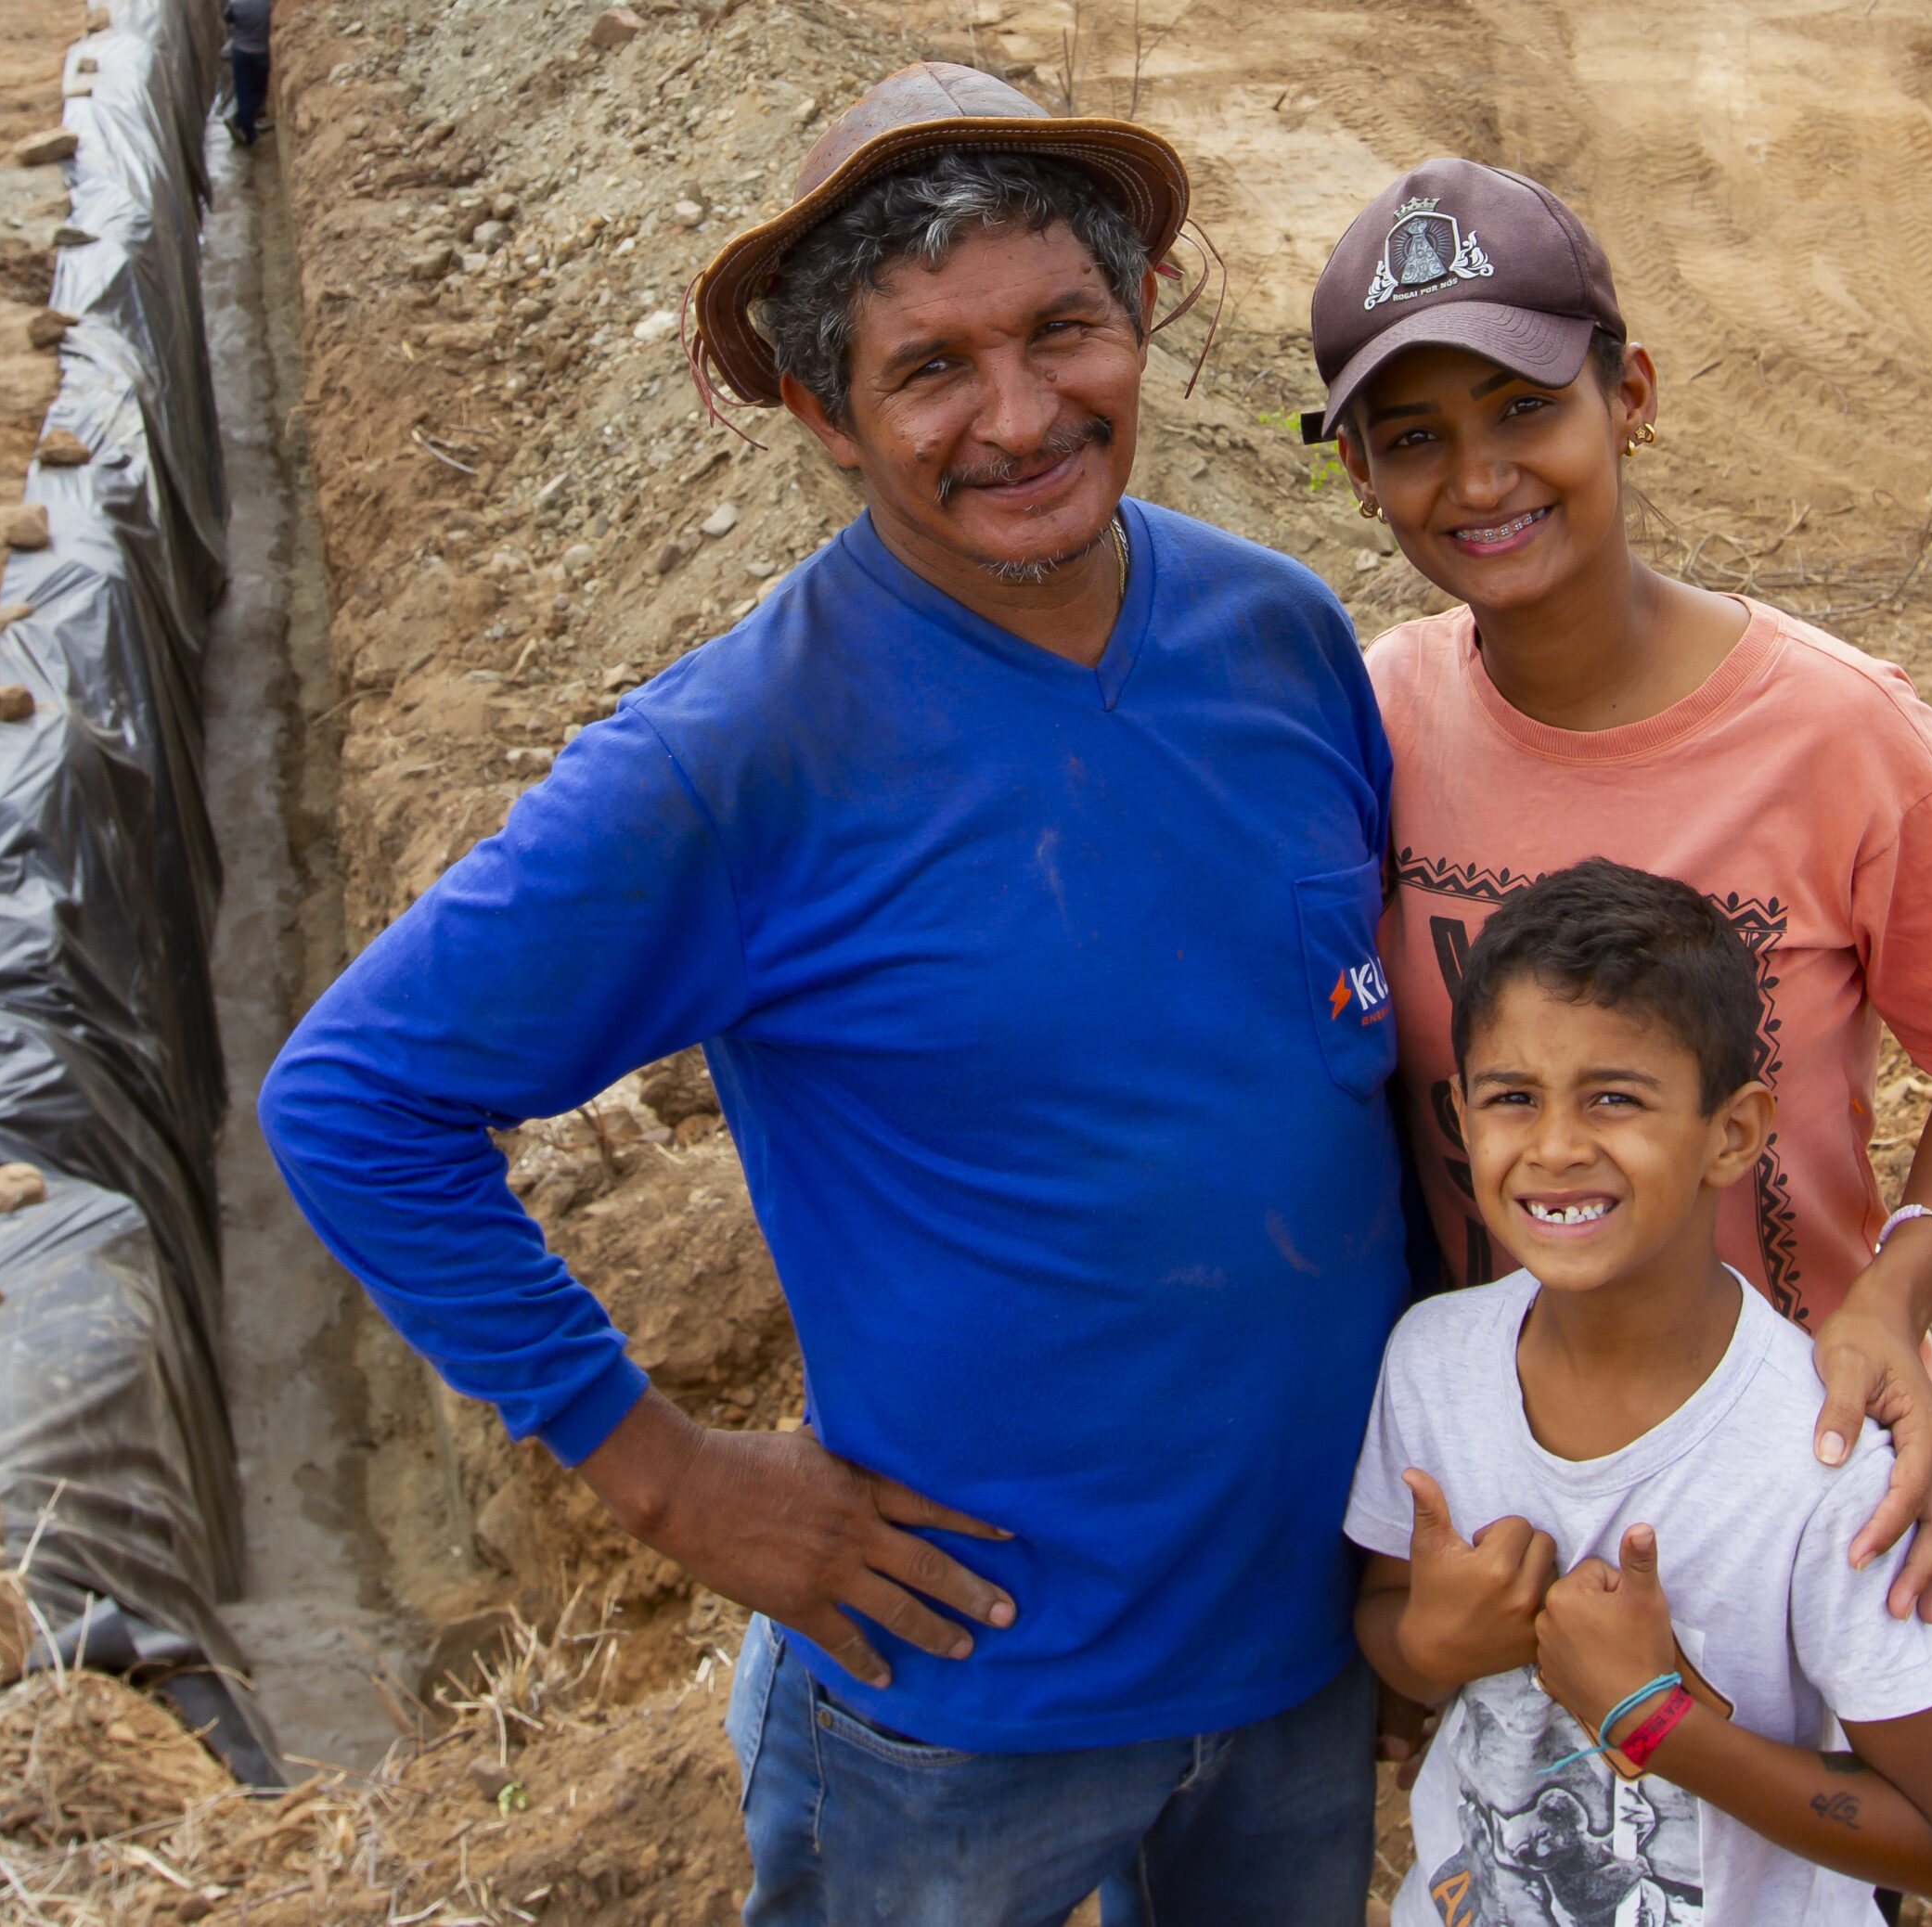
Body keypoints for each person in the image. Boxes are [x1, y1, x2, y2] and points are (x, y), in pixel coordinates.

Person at [261, 65, 1407, 1926]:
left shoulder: (1275, 633)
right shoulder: (742, 756)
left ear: (1144, 324)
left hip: (1304, 1651)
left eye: (1062, 331)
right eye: (931, 367)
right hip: (964, 1707)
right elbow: (351, 1103)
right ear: (822, 410)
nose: (1021, 415)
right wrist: (663, 1477)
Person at [1307, 159, 1932, 1632]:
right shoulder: (1370, 722)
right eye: (1416, 438)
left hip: (1796, 1490)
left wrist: (1889, 1301)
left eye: (1526, 408)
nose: (1477, 480)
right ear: (1361, 476)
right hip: (1497, 1521)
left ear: (1629, 395)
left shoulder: (1842, 737)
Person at [1346, 859, 1932, 1925]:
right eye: (1513, 1097)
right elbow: (1384, 1612)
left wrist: (1651, 1721)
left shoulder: (1823, 1462)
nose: (1553, 1146)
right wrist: (1428, 1646)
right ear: (1460, 1114)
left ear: (1732, 1133)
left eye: (1614, 1098)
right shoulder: (1430, 1363)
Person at [222, 0, 271, 147]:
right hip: (260, 53)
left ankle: (249, 132)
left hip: (240, 53)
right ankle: (240, 120)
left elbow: (227, 18)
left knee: (243, 92)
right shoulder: (266, 3)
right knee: (259, 90)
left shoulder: (236, 3)